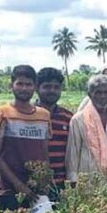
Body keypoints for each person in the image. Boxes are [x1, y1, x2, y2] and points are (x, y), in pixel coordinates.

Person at [0, 65, 50, 211]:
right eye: (20, 84)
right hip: (9, 188)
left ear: (35, 87)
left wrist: (44, 180)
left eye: (28, 84)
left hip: (36, 188)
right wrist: (18, 184)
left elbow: (44, 150)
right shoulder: (1, 113)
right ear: (12, 86)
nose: (24, 88)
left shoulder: (44, 115)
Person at [65, 75, 107, 182]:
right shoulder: (78, 120)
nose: (102, 96)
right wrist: (73, 183)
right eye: (98, 92)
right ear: (89, 94)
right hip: (88, 184)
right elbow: (73, 155)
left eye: (106, 92)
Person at [35, 67, 73, 195]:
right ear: (37, 88)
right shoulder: (27, 115)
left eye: (56, 87)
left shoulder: (68, 117)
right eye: (47, 86)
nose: (52, 91)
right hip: (31, 184)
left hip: (60, 184)